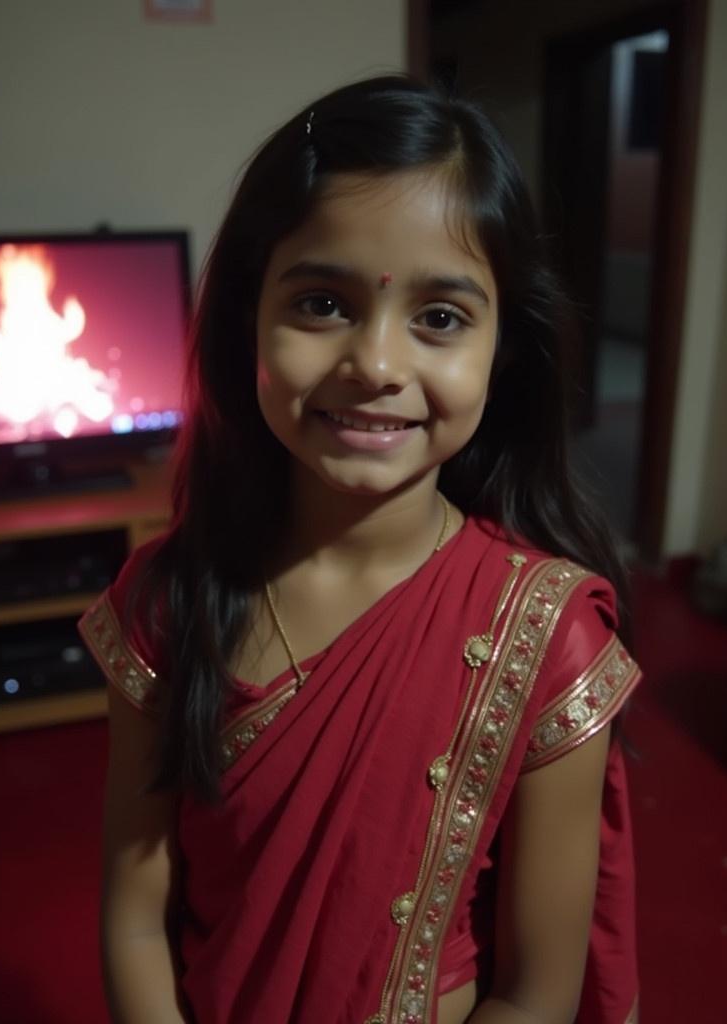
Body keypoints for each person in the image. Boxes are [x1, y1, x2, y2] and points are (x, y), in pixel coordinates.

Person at [79, 75, 641, 1024]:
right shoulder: (170, 602)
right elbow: (136, 918)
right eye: (323, 305)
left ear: (504, 350)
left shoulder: (544, 634)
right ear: (247, 322)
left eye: (441, 318)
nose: (377, 365)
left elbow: (536, 994)